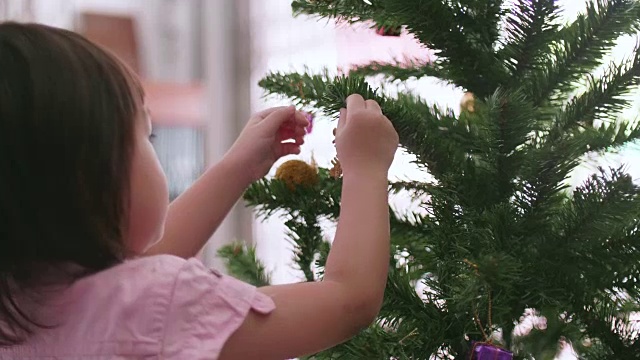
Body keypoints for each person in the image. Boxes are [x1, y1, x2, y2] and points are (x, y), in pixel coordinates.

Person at [0, 22, 399, 359]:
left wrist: (236, 167)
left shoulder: (19, 305)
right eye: (148, 135)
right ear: (91, 181)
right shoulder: (158, 307)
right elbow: (349, 300)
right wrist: (365, 167)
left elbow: (133, 269)